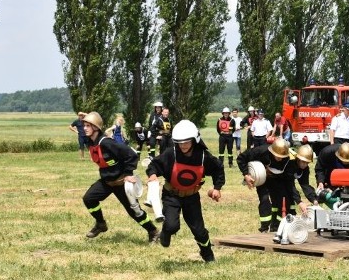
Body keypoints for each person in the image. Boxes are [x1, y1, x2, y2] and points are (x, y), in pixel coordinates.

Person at [146, 120, 224, 262]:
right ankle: (165, 232)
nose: (182, 145)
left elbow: (218, 168)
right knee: (172, 226)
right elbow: (154, 165)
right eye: (179, 142)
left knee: (199, 231)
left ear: (195, 140)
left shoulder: (203, 156)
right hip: (171, 195)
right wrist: (152, 175)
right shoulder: (171, 153)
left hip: (192, 197)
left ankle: (208, 255)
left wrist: (217, 188)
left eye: (186, 142)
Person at [80, 111, 159, 242]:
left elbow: (131, 155)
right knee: (89, 199)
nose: (84, 128)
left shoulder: (106, 143)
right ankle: (100, 224)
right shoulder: (92, 143)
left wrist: (128, 174)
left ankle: (153, 231)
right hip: (107, 182)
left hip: (121, 182)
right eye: (84, 125)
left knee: (134, 212)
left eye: (88, 125)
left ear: (95, 127)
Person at [237, 138, 305, 232]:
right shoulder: (261, 151)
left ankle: (276, 226)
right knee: (265, 200)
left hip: (277, 179)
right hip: (262, 179)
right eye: (277, 156)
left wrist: (299, 201)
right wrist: (246, 175)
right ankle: (264, 228)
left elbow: (289, 181)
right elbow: (241, 158)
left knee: (280, 200)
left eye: (282, 156)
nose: (280, 158)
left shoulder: (289, 159)